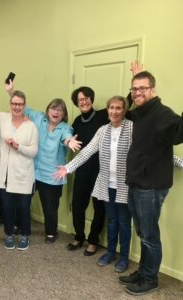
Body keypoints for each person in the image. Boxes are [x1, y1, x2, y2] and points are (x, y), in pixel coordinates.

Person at [118, 63, 183, 295]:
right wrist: (136, 79)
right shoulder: (141, 111)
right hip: (138, 182)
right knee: (143, 233)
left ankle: (150, 279)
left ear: (152, 90)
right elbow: (127, 111)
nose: (137, 93)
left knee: (149, 235)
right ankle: (144, 270)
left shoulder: (162, 113)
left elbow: (179, 131)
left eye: (142, 89)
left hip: (151, 186)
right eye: (134, 89)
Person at [54, 96, 133, 273]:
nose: (113, 111)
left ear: (124, 110)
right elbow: (86, 152)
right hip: (106, 184)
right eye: (111, 108)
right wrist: (67, 168)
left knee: (124, 223)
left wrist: (177, 161)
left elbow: (151, 150)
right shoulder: (103, 130)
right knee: (112, 221)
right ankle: (111, 253)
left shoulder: (132, 128)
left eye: (118, 108)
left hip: (125, 186)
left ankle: (124, 257)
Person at [5, 82, 81, 243]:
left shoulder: (66, 128)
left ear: (63, 114)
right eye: (53, 108)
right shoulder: (39, 118)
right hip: (33, 171)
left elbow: (66, 137)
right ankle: (19, 225)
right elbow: (22, 108)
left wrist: (69, 142)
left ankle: (51, 232)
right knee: (23, 201)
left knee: (50, 208)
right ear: (48, 110)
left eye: (60, 110)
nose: (56, 112)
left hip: (52, 175)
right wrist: (11, 92)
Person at [0, 90, 38, 251]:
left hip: (23, 174)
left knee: (23, 208)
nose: (16, 107)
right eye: (14, 103)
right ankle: (9, 234)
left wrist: (18, 146)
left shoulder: (31, 125)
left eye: (20, 104)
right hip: (3, 173)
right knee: (6, 207)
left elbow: (34, 151)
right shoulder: (2, 118)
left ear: (24, 106)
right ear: (10, 104)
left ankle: (25, 235)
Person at [67, 86, 108, 255]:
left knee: (99, 208)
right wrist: (68, 139)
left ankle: (93, 241)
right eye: (80, 100)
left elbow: (125, 103)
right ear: (77, 103)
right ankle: (79, 236)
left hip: (100, 171)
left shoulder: (103, 115)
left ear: (91, 99)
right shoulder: (76, 121)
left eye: (86, 98)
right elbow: (68, 136)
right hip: (82, 170)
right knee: (77, 206)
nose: (83, 102)